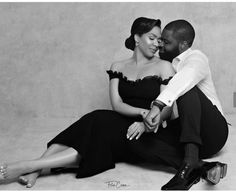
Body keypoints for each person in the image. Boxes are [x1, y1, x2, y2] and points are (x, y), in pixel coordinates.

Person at [0, 17, 176, 188]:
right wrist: (141, 112)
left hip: (148, 130)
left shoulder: (164, 66)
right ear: (137, 38)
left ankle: (29, 166)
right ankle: (36, 167)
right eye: (151, 38)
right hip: (121, 120)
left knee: (99, 124)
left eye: (158, 40)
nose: (156, 44)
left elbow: (167, 109)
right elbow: (117, 104)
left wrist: (146, 119)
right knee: (94, 120)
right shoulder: (118, 66)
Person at [141, 19, 229, 190]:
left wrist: (157, 105)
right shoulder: (165, 64)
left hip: (213, 132)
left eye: (166, 42)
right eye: (160, 40)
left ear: (183, 45)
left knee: (186, 89)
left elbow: (186, 78)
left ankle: (189, 164)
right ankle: (203, 166)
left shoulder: (196, 58)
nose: (160, 45)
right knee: (140, 141)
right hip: (186, 129)